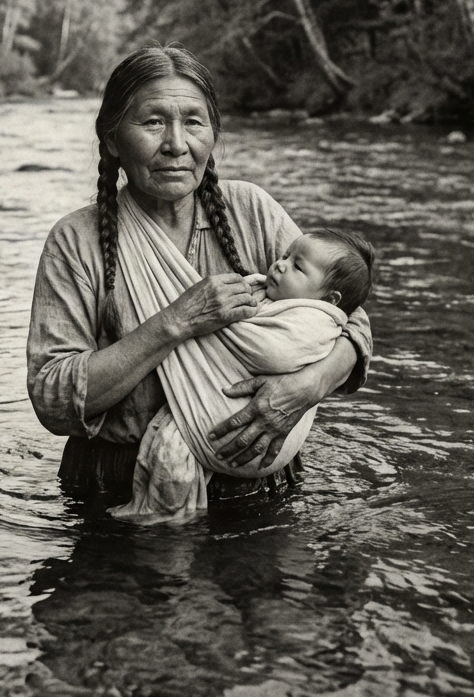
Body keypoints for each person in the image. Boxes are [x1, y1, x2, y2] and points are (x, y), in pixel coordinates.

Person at [26, 45, 373, 506]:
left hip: (257, 484)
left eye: (193, 121)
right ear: (111, 139)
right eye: (152, 122)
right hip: (118, 488)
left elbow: (349, 318)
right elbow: (54, 395)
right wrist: (174, 323)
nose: (176, 143)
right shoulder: (77, 240)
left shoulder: (249, 209)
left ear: (213, 134)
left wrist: (307, 387)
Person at [108, 227, 376, 521]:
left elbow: (274, 350)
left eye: (296, 266)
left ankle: (163, 517)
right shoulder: (274, 291)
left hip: (244, 444)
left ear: (332, 299)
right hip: (179, 439)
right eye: (285, 255)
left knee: (171, 457)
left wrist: (313, 382)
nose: (280, 263)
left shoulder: (315, 321)